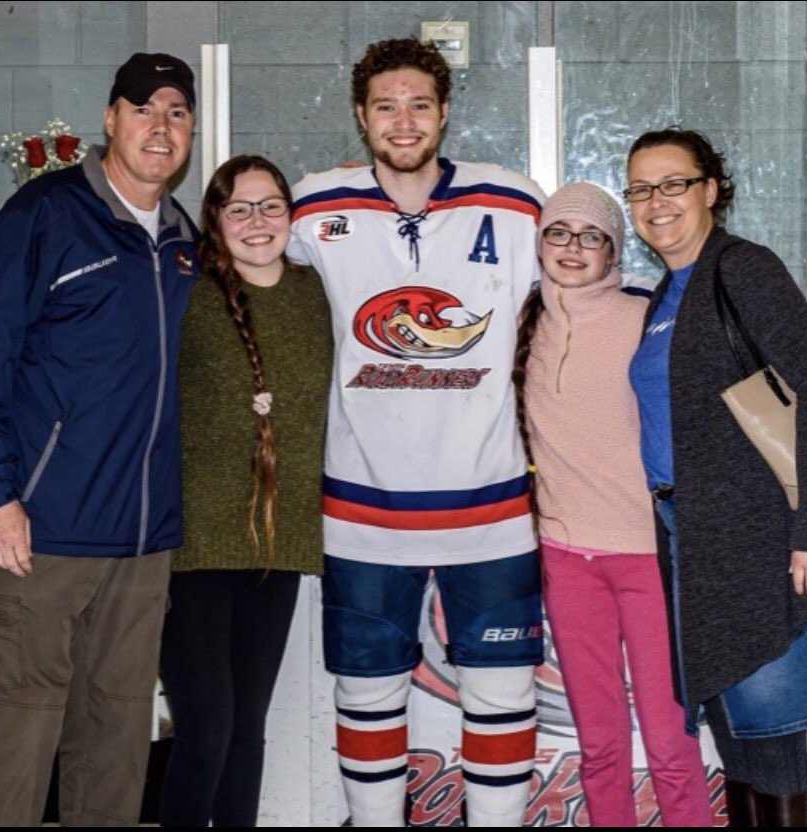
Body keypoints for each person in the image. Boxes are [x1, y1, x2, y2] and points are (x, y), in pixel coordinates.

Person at [0, 52, 197, 827]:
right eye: (143, 109)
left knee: (114, 749)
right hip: (39, 534)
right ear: (109, 119)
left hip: (142, 546)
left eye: (176, 112)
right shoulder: (43, 216)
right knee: (16, 739)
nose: (159, 126)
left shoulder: (182, 241)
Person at [288, 37, 545, 827]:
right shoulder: (314, 206)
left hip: (492, 511)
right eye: (386, 106)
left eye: (419, 105)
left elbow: (585, 286)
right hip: (362, 512)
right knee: (366, 690)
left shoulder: (514, 202)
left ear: (443, 113)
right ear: (361, 117)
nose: (403, 122)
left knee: (501, 692)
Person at [625, 127, 807, 827]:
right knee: (736, 737)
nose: (655, 202)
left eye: (672, 184)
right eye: (640, 189)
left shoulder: (741, 268)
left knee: (769, 736)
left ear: (710, 189)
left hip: (765, 541)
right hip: (694, 544)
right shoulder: (667, 292)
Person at [514, 182, 713, 827]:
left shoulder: (644, 319)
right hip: (567, 561)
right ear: (539, 243)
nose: (574, 248)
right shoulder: (517, 322)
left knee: (670, 743)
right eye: (559, 233)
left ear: (613, 251)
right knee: (600, 747)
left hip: (648, 557)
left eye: (592, 236)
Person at [158, 155, 331, 827]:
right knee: (206, 730)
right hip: (194, 543)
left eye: (271, 207)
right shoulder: (189, 296)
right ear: (215, 221)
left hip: (278, 540)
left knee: (247, 727)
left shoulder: (318, 293)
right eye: (239, 209)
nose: (257, 223)